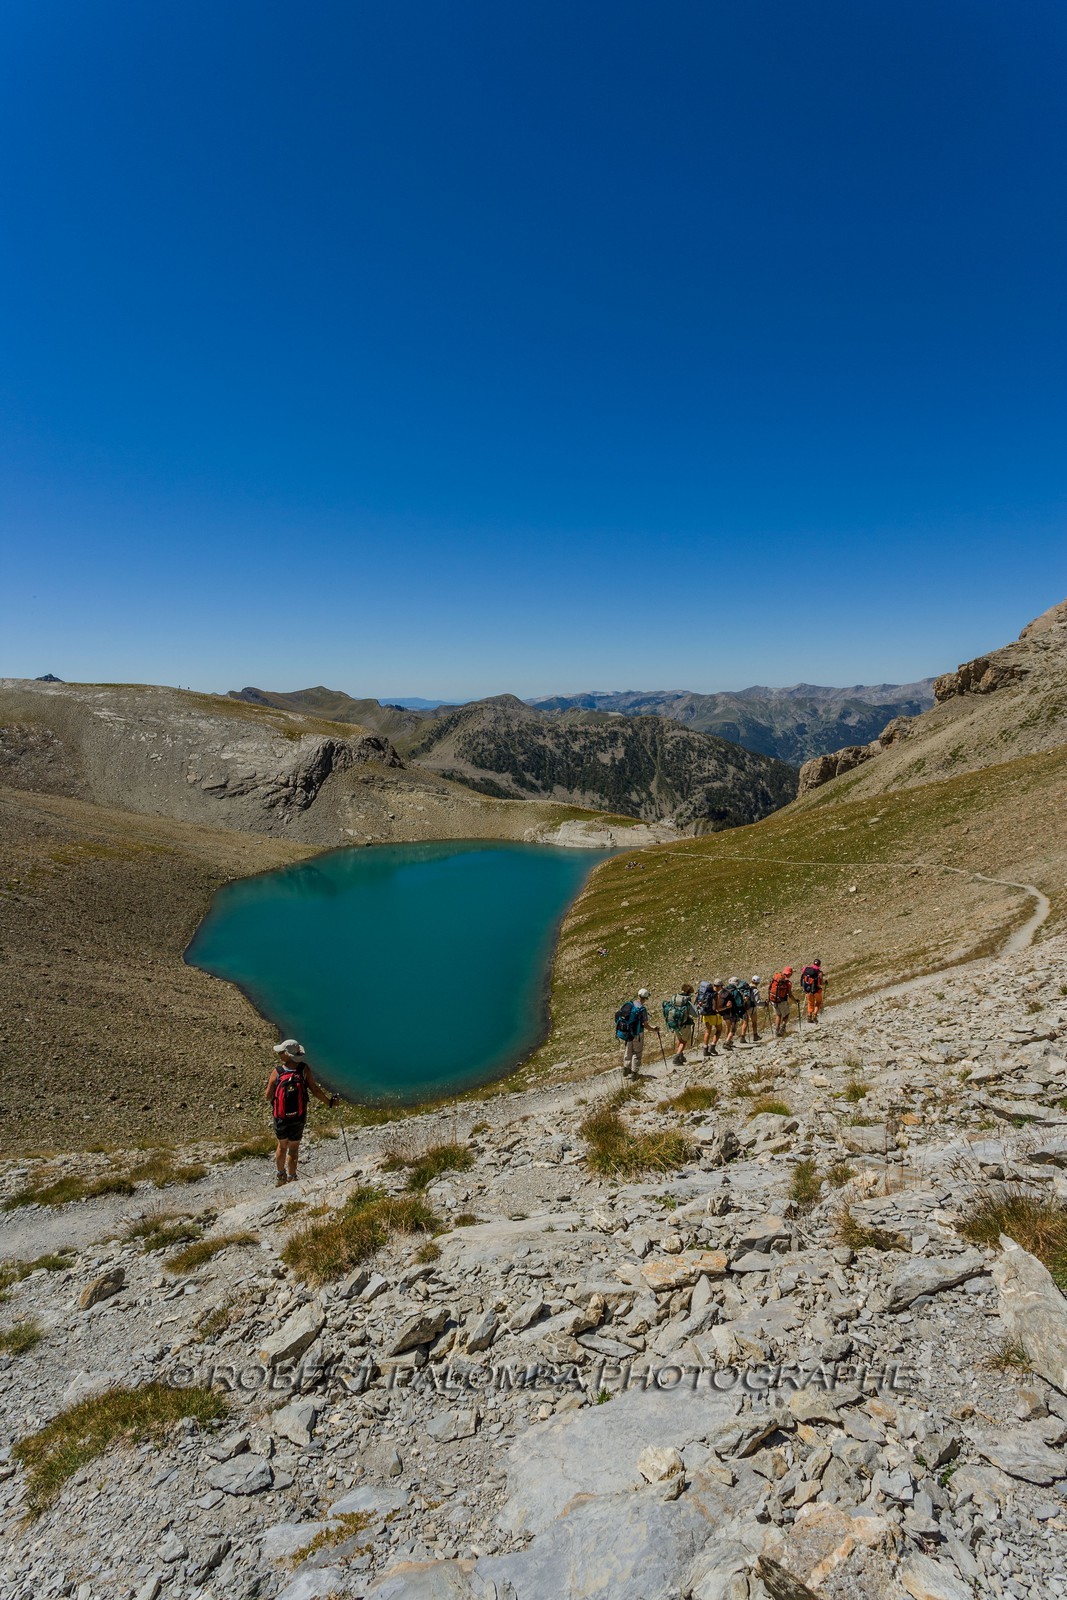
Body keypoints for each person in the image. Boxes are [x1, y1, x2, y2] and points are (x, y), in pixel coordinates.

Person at [265, 1039, 338, 1186]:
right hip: (298, 1116)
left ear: (287, 1055)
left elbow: (268, 1096)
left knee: (281, 1145)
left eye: (281, 1052)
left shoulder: (277, 1072)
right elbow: (315, 1090)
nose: (279, 1054)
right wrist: (329, 1102)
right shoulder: (304, 1069)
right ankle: (292, 1177)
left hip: (281, 1117)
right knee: (293, 1148)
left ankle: (281, 1176)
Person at [616, 988, 652, 1077]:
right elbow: (646, 1025)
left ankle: (626, 1069)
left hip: (628, 1033)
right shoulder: (642, 1009)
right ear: (645, 998)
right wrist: (654, 1029)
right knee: (637, 1053)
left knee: (628, 1051)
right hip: (637, 1033)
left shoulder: (629, 1004)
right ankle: (634, 1074)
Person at [663, 984, 696, 1066]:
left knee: (680, 1040)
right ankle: (677, 1057)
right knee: (684, 1041)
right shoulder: (687, 1001)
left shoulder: (675, 998)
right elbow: (695, 1014)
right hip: (684, 1024)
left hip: (675, 1024)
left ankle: (681, 1056)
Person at [696, 979, 722, 1057]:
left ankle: (705, 1049)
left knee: (708, 1031)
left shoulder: (704, 994)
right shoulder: (715, 994)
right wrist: (727, 1007)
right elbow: (718, 1008)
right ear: (719, 986)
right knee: (719, 1030)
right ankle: (713, 1046)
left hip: (705, 1015)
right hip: (714, 1015)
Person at [768, 969, 794, 1037]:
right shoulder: (787, 983)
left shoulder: (775, 979)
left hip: (773, 1000)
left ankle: (777, 1030)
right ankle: (782, 1029)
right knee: (786, 1015)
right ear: (789, 974)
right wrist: (795, 1000)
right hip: (782, 1001)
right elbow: (790, 994)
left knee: (778, 1015)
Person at [743, 975, 762, 1043]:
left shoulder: (746, 988)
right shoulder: (755, 990)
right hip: (752, 1007)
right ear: (758, 983)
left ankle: (742, 1037)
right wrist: (764, 1004)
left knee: (745, 1022)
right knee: (754, 1022)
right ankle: (755, 1036)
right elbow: (757, 1002)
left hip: (745, 1007)